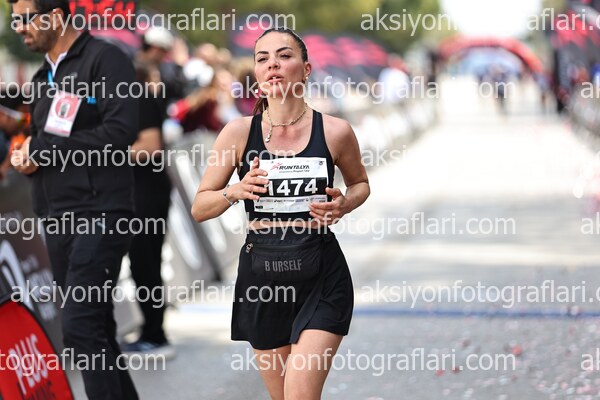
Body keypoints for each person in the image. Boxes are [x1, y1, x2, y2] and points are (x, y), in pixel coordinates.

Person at [191, 28, 370, 399]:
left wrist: (344, 204)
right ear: (256, 73)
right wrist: (235, 190)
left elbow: (360, 185)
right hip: (262, 280)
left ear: (306, 69)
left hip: (321, 275)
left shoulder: (335, 131)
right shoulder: (238, 133)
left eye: (284, 56)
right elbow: (200, 206)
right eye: (262, 58)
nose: (272, 64)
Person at [8, 0, 139, 398]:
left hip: (101, 213)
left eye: (25, 18)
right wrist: (27, 157)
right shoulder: (40, 76)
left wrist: (42, 150)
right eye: (14, 20)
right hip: (57, 217)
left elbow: (120, 132)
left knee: (81, 327)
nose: (18, 28)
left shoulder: (105, 58)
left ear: (55, 16)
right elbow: (45, 141)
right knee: (97, 329)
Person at [121, 61, 174, 358]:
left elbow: (150, 146)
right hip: (137, 192)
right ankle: (151, 332)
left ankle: (155, 335)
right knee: (142, 263)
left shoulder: (139, 98)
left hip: (146, 193)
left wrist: (102, 153)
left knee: (145, 263)